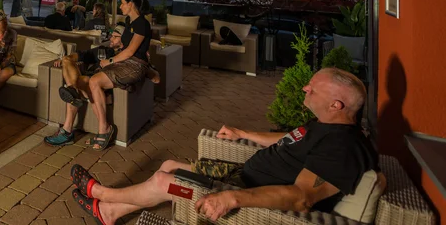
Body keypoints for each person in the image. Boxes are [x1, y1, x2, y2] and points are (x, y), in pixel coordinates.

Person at [67, 68, 378, 225]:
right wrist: (245, 133)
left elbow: (301, 198)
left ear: (337, 104)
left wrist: (232, 196)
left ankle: (102, 196)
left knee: (167, 182)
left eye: (313, 87)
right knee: (169, 165)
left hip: (245, 198)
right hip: (241, 175)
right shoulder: (325, 126)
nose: (304, 87)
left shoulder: (343, 148)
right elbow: (287, 140)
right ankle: (109, 213)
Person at [45, 0, 152, 150]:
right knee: (79, 82)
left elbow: (131, 52)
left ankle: (102, 129)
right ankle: (84, 125)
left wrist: (109, 61)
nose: (120, 6)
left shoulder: (142, 24)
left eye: (123, 3)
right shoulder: (130, 21)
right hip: (125, 63)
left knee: (90, 82)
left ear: (131, 4)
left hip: (132, 65)